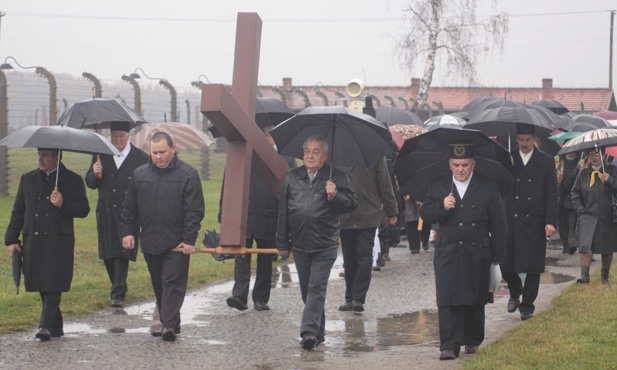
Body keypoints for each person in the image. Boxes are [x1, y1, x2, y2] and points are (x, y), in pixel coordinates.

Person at [419, 142, 507, 360]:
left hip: (477, 250)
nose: (460, 169)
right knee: (448, 297)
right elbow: (425, 213)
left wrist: (498, 255)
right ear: (450, 164)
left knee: (474, 296)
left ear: (473, 165)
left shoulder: (487, 187)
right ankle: (449, 345)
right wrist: (442, 207)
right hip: (447, 250)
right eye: (456, 165)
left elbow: (499, 223)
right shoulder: (438, 186)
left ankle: (472, 339)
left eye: (465, 165)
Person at [121, 132, 204, 342]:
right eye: (154, 152)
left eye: (162, 152)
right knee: (159, 284)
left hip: (176, 243)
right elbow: (129, 208)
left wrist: (189, 239)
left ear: (173, 149)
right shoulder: (140, 175)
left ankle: (166, 324)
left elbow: (194, 210)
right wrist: (128, 232)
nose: (158, 157)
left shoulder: (188, 175)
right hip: (150, 241)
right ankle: (172, 322)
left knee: (172, 282)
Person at [277, 135, 357, 349]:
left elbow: (351, 204)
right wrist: (282, 243)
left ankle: (308, 332)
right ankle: (318, 331)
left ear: (325, 155)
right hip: (301, 244)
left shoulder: (336, 177)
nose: (311, 156)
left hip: (325, 243)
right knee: (307, 291)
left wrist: (335, 195)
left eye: (316, 151)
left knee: (316, 287)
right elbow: (283, 213)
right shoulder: (291, 178)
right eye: (307, 151)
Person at [5, 148, 90, 341]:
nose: (40, 159)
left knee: (54, 282)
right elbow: (18, 210)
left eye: (45, 155)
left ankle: (44, 326)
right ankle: (56, 327)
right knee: (43, 284)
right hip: (33, 240)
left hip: (58, 241)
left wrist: (63, 203)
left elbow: (84, 209)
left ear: (57, 156)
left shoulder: (72, 179)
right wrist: (12, 240)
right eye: (39, 154)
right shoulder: (28, 178)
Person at [222, 126, 296, 311]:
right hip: (245, 212)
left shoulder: (285, 159)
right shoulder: (245, 155)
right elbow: (229, 181)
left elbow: (292, 191)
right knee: (241, 254)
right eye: (263, 135)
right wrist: (224, 210)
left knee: (265, 256)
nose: (266, 139)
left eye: (269, 135)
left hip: (270, 213)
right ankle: (239, 296)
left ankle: (261, 297)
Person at [85, 122, 149, 308]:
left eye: (121, 136)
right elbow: (90, 183)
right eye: (114, 137)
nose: (117, 140)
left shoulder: (140, 158)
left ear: (128, 136)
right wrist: (94, 174)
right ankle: (117, 284)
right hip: (105, 209)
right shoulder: (100, 155)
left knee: (123, 250)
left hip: (127, 212)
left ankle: (118, 292)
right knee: (108, 251)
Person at [501, 123, 558, 321]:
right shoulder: (508, 159)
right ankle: (515, 291)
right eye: (520, 140)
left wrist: (551, 221)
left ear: (534, 139)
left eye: (527, 140)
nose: (524, 144)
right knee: (506, 263)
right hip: (511, 218)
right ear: (516, 140)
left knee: (533, 265)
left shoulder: (546, 161)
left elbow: (551, 194)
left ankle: (527, 304)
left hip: (535, 219)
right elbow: (500, 188)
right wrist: (505, 165)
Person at [336, 157, 397, 312]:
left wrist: (392, 211)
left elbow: (384, 183)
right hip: (345, 215)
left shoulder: (375, 155)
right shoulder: (338, 155)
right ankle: (349, 297)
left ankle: (358, 298)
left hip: (368, 213)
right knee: (349, 258)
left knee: (364, 255)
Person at [571, 147, 617, 284]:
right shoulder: (583, 173)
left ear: (603, 155)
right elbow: (575, 194)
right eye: (591, 155)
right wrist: (580, 211)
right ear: (587, 156)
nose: (595, 157)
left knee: (607, 246)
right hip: (588, 215)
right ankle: (584, 275)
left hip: (607, 214)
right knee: (585, 245)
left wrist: (610, 181)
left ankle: (604, 276)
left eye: (597, 154)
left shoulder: (613, 171)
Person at [556, 151, 582, 254]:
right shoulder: (558, 163)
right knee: (562, 223)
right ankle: (565, 244)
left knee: (573, 221)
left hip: (574, 196)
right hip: (561, 196)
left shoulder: (580, 163)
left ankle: (572, 244)